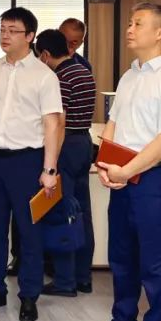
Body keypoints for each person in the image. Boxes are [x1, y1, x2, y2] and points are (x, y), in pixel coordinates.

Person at [85, 2, 161, 321]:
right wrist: (105, 165)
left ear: (160, 32)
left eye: (138, 23)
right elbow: (112, 125)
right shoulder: (129, 76)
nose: (129, 29)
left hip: (153, 179)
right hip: (122, 175)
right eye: (130, 23)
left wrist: (125, 170)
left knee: (154, 262)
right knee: (122, 256)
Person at [0, 7, 63, 321]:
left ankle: (29, 295)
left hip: (29, 160)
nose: (5, 36)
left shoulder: (44, 76)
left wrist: (49, 170)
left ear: (30, 36)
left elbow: (53, 124)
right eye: (2, 29)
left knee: (29, 231)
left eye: (13, 30)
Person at [34, 29, 96, 296]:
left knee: (62, 212)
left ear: (45, 55)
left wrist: (51, 163)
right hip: (84, 142)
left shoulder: (58, 78)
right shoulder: (84, 71)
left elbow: (59, 122)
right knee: (82, 211)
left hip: (65, 144)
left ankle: (64, 280)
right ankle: (83, 276)